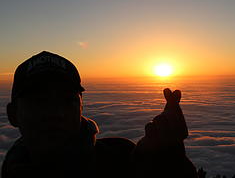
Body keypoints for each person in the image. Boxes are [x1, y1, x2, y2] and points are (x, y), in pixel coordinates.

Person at [2, 51, 198, 178]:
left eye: (67, 100)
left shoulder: (123, 159)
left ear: (81, 107)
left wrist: (168, 157)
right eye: (39, 101)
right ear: (13, 115)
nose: (56, 113)